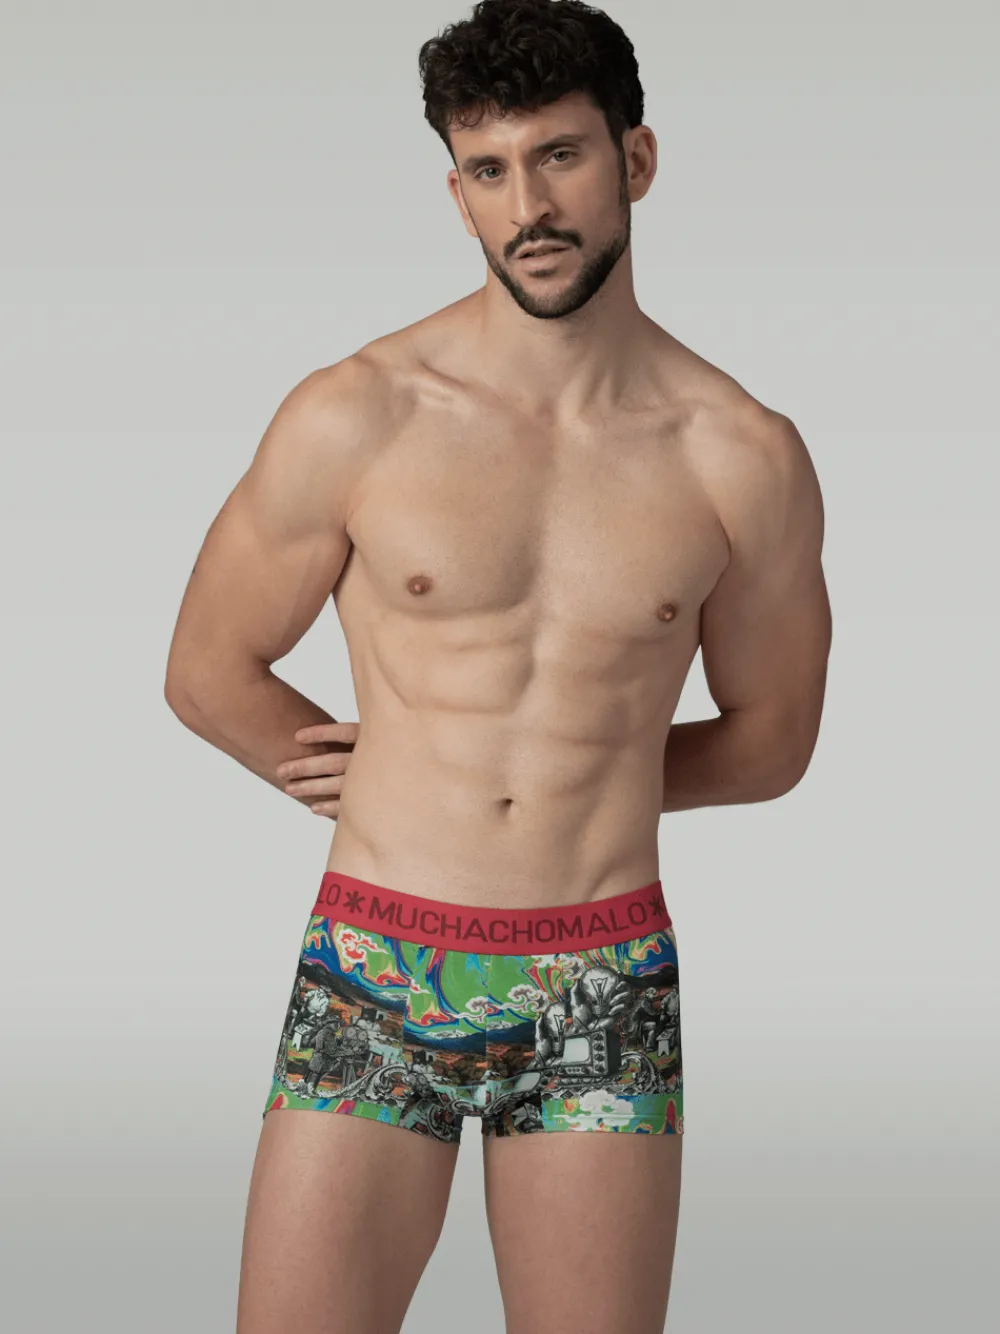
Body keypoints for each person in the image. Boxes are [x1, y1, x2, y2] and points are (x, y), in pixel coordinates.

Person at [163, 1, 832, 1330]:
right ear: (457, 192)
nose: (527, 205)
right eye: (488, 168)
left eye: (560, 157)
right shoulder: (357, 411)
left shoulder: (739, 454)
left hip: (600, 979)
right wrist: (399, 773)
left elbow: (771, 739)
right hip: (376, 964)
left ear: (636, 159)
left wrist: (597, 770)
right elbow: (207, 666)